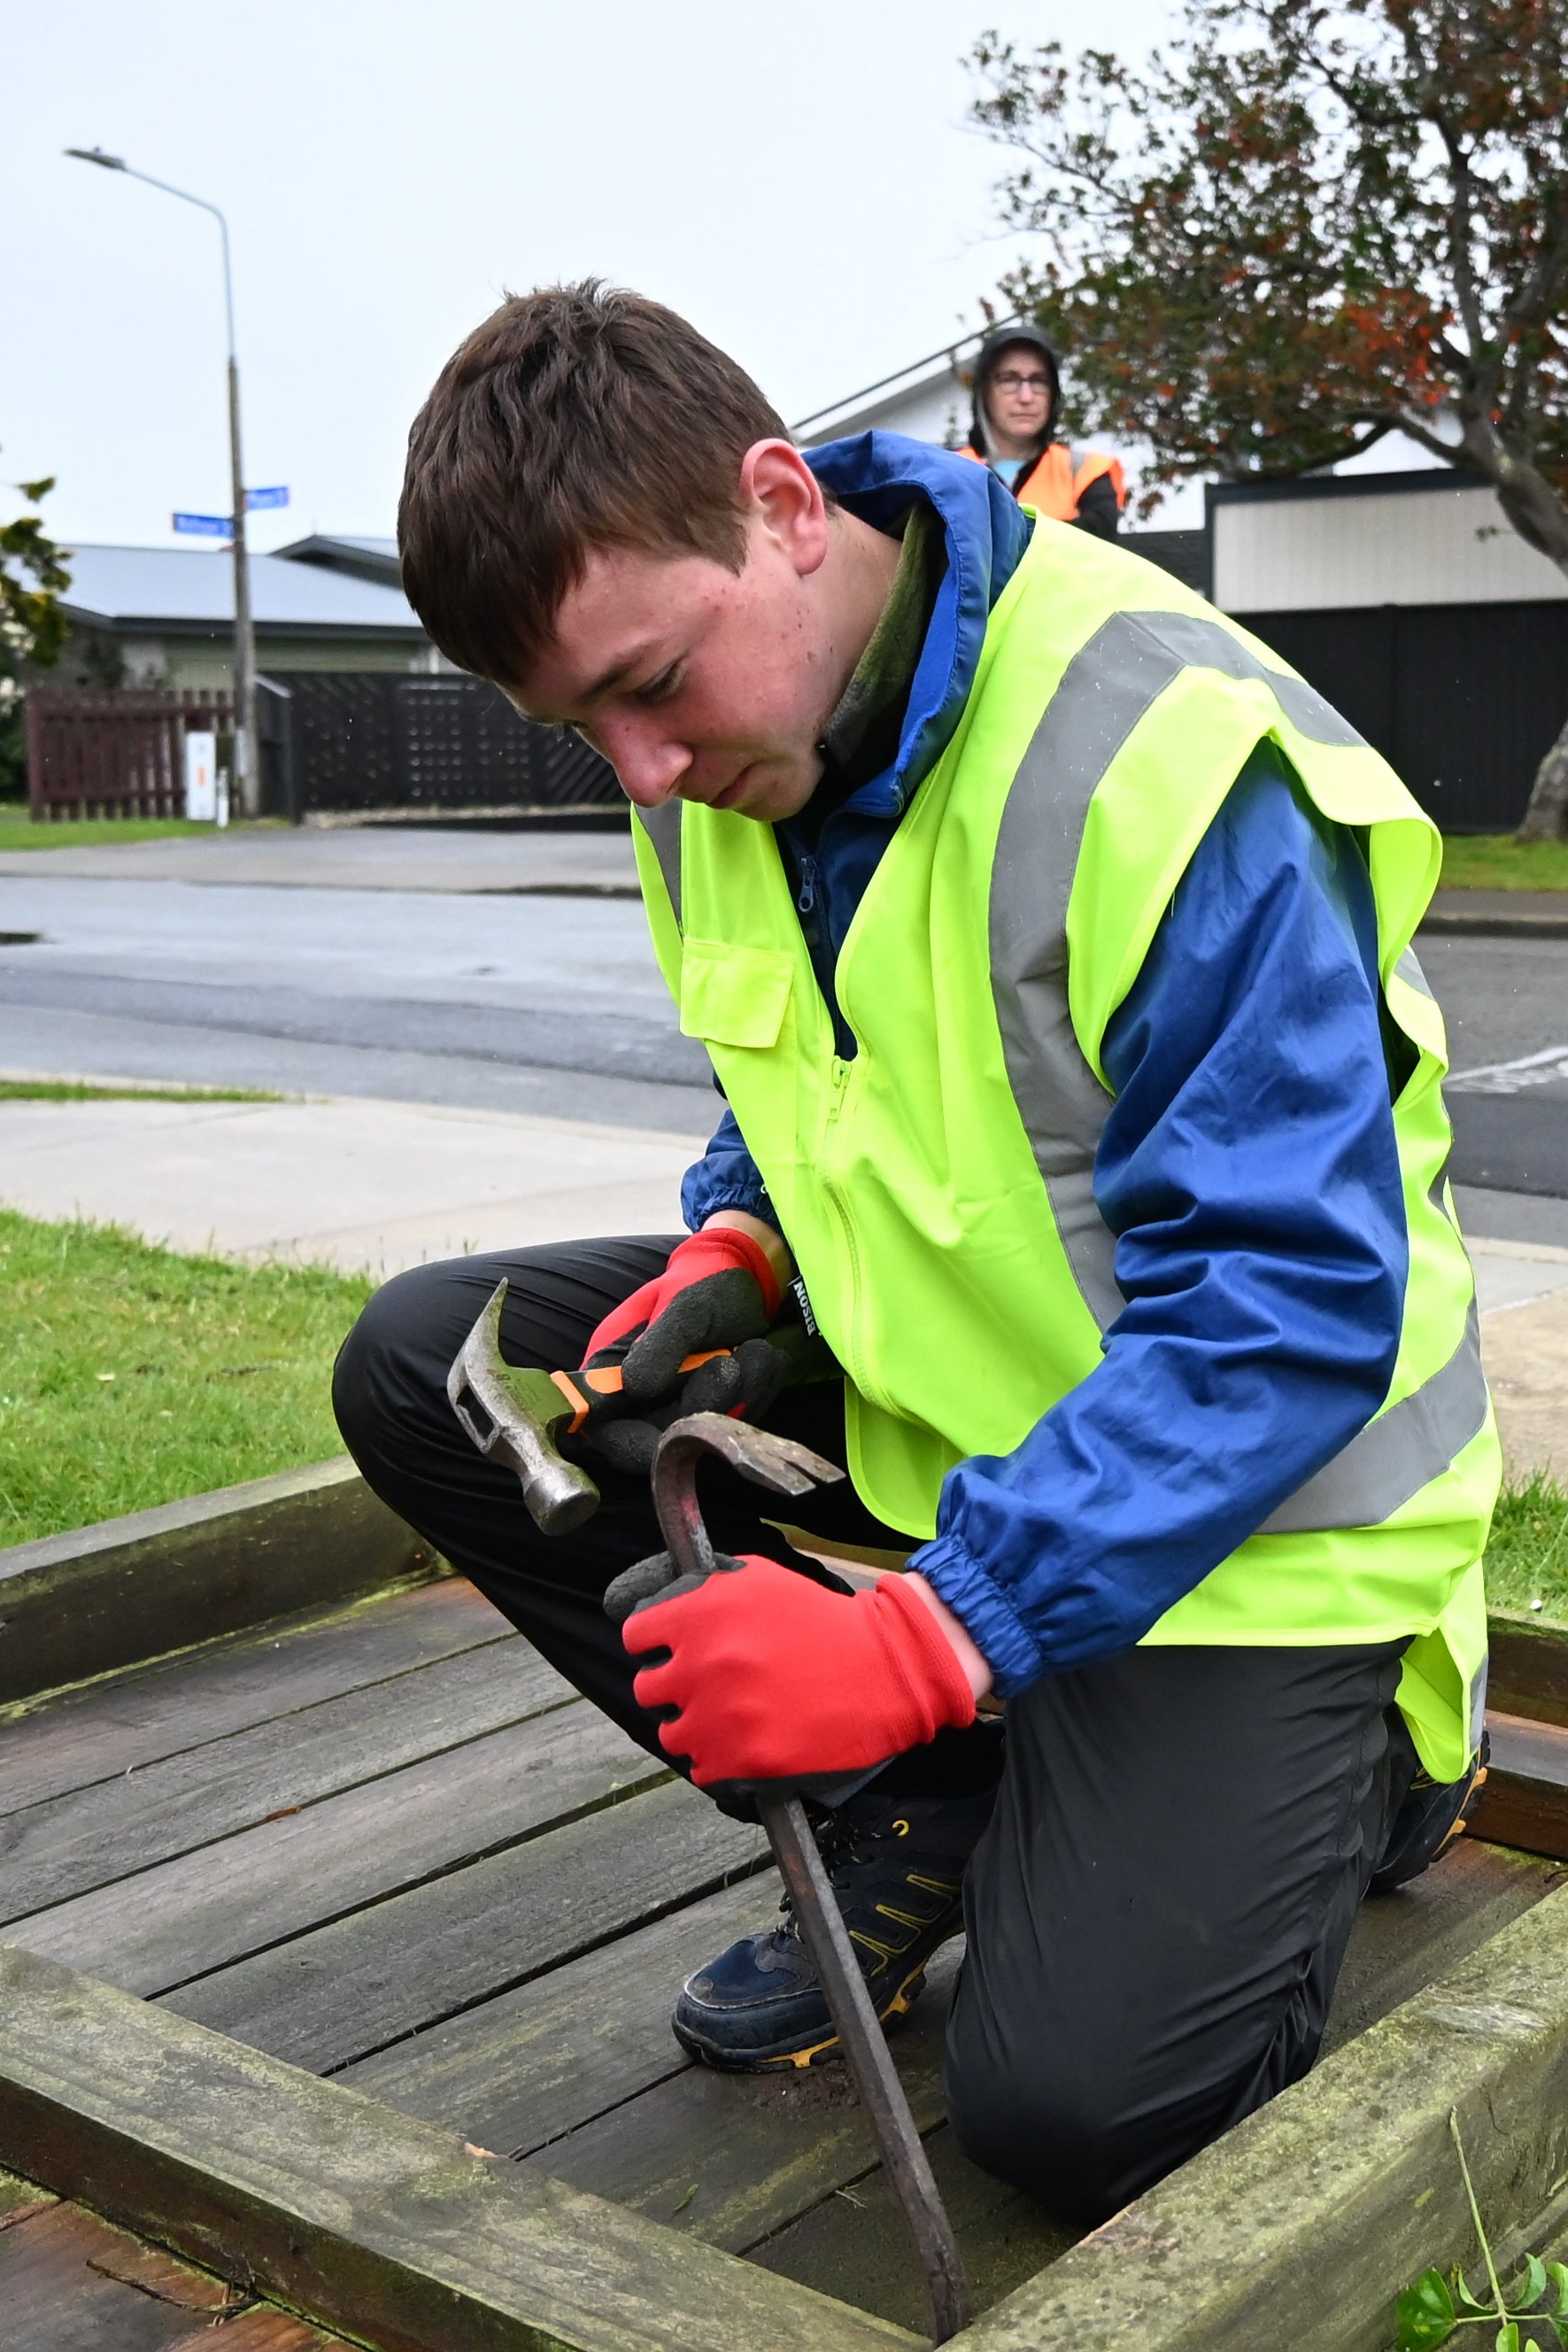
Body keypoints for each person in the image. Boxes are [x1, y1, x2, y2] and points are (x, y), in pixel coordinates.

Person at [336, 281, 1495, 2226]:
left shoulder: (1167, 754)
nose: (637, 768)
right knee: (428, 1365)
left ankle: (1382, 1772)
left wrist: (919, 1632)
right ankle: (933, 1791)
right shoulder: (725, 743)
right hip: (961, 1451)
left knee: (1068, 2109)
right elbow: (817, 1061)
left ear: (784, 505)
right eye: (578, 724)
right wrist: (744, 1243)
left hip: (1255, 1538)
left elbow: (1284, 1319)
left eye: (648, 683)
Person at [959, 321, 1125, 539]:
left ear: (1054, 395)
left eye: (1039, 381)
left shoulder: (1085, 471)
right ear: (984, 392)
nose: (1026, 397)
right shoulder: (951, 471)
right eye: (1009, 379)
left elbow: (1099, 545)